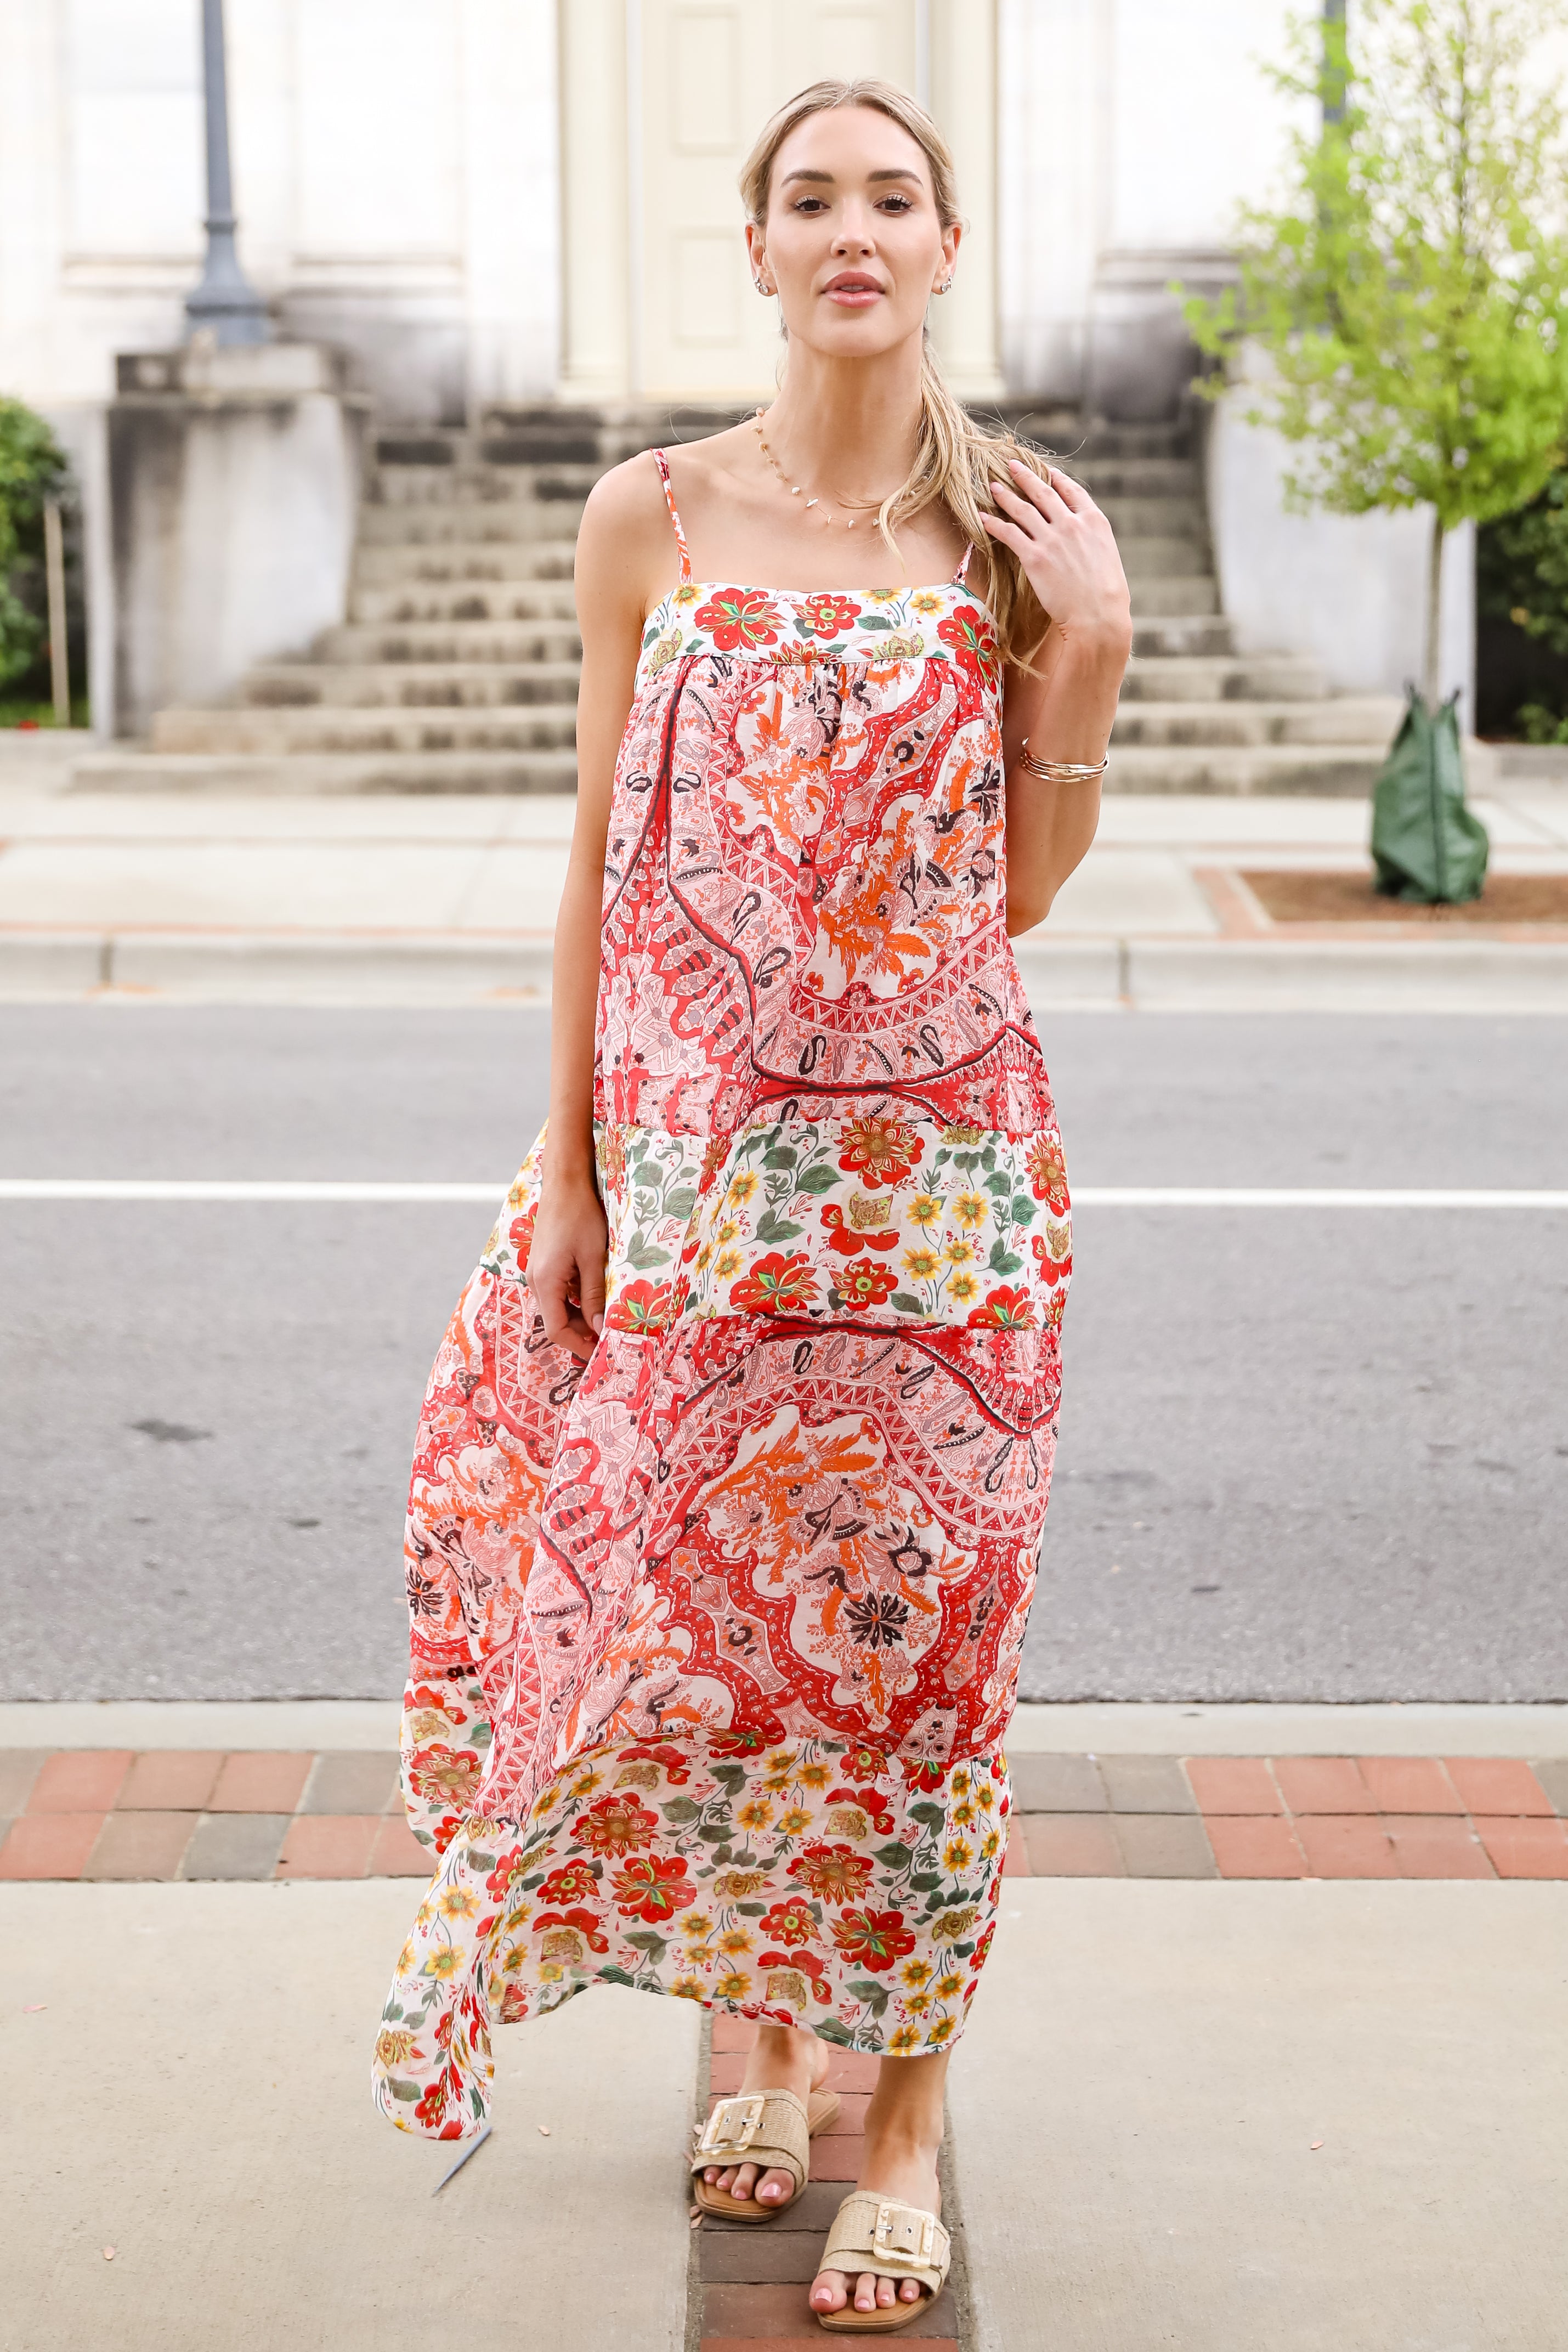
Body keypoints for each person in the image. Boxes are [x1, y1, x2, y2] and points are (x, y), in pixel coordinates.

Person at [372, 76, 1130, 2334]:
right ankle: (766, 2040)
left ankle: (895, 2123)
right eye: (812, 198)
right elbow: (597, 867)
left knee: (917, 1665)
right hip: (702, 1181)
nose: (851, 229)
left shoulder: (1013, 534)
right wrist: (573, 1161)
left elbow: (1009, 897)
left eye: (892, 196)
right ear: (761, 245)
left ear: (946, 242)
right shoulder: (652, 516)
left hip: (936, 1202)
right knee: (713, 1646)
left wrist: (1084, 660)